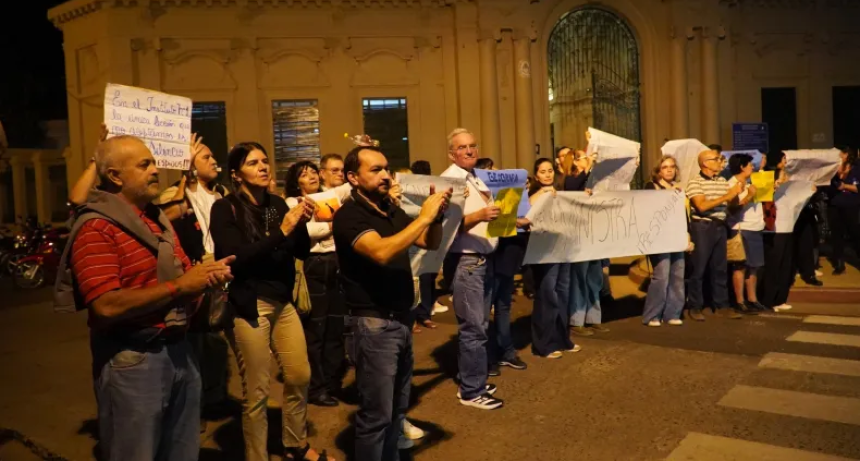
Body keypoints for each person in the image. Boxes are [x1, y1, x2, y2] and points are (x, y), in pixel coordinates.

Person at [59, 135, 235, 461]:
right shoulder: (97, 227)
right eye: (144, 165)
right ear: (115, 176)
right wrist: (180, 287)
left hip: (179, 349)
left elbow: (183, 273)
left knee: (182, 451)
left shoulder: (156, 219)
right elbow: (106, 305)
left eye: (153, 162)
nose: (155, 170)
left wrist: (205, 278)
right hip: (133, 360)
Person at [209, 143, 332, 461]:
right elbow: (236, 258)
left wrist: (300, 223)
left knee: (299, 375)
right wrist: (283, 229)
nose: (263, 166)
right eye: (253, 163)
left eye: (265, 160)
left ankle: (295, 444)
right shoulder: (225, 209)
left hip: (282, 302)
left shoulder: (276, 204)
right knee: (257, 390)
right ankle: (257, 455)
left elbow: (299, 251)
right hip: (250, 305)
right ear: (236, 174)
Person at [333, 145, 449, 461]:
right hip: (373, 323)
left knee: (397, 409)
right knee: (377, 417)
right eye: (376, 170)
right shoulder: (349, 215)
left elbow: (428, 241)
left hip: (401, 319)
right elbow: (381, 252)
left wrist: (436, 218)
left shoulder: (389, 208)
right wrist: (423, 217)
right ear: (353, 177)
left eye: (386, 168)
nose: (386, 175)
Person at [155, 134, 231, 430]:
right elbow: (167, 221)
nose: (214, 161)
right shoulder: (175, 194)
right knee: (194, 342)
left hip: (222, 270)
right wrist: (184, 176)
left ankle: (216, 397)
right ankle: (192, 410)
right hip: (194, 272)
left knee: (217, 339)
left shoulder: (222, 194)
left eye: (213, 157)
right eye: (206, 157)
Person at [441, 128, 504, 410]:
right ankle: (471, 391)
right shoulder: (450, 181)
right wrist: (480, 214)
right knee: (473, 329)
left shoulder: (476, 178)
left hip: (483, 260)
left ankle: (473, 377)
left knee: (480, 326)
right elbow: (445, 229)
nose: (469, 150)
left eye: (472, 146)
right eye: (462, 147)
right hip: (466, 262)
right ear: (451, 154)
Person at [284, 160, 351, 408]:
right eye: (304, 174)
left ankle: (332, 383)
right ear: (296, 181)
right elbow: (306, 233)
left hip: (335, 263)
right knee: (316, 328)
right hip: (313, 266)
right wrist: (333, 226)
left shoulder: (329, 196)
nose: (311, 176)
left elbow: (351, 186)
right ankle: (316, 387)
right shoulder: (292, 203)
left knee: (336, 326)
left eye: (313, 172)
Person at [528, 158, 579, 357]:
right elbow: (527, 209)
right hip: (544, 253)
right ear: (536, 175)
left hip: (563, 250)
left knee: (563, 295)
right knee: (547, 295)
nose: (547, 174)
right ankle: (544, 344)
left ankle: (562, 339)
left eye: (550, 170)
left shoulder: (560, 192)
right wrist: (543, 193)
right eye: (543, 171)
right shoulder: (533, 193)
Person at [686, 149, 745, 320]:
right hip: (703, 227)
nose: (721, 162)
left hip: (720, 226)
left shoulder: (722, 181)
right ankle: (695, 306)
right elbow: (701, 206)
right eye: (717, 159)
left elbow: (731, 207)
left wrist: (740, 195)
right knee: (698, 268)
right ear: (705, 163)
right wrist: (727, 195)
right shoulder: (695, 182)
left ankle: (721, 305)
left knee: (720, 268)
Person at [642, 155, 690, 327]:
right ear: (658, 171)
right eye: (664, 167)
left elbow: (684, 216)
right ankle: (652, 315)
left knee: (677, 275)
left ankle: (672, 313)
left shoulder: (679, 189)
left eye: (672, 167)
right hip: (659, 238)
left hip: (677, 236)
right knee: (661, 275)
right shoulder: (651, 187)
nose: (669, 170)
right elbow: (647, 210)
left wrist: (688, 236)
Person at [563, 149, 605, 336]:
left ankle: (593, 317)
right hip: (578, 234)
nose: (587, 158)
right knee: (579, 277)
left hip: (594, 232)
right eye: (583, 156)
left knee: (594, 277)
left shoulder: (591, 178)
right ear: (574, 161)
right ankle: (576, 320)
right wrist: (588, 169)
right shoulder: (570, 179)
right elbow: (572, 187)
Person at [409, 160, 449, 330]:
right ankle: (415, 317)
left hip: (429, 237)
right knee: (416, 281)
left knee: (427, 278)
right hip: (412, 239)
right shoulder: (406, 191)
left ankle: (423, 314)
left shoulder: (435, 189)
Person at [726, 153, 768, 314]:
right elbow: (732, 209)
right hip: (741, 228)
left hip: (756, 227)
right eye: (750, 165)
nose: (752, 167)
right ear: (742, 167)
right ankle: (739, 301)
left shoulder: (751, 181)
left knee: (754, 266)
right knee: (741, 266)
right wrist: (749, 196)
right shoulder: (732, 184)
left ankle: (753, 299)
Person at [760, 152, 794, 312]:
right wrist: (773, 188)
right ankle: (768, 300)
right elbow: (763, 203)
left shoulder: (789, 184)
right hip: (774, 230)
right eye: (782, 177)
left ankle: (781, 298)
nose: (786, 179)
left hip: (788, 228)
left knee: (786, 265)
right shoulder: (767, 182)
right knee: (773, 265)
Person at [828, 146, 860, 275]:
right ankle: (839, 264)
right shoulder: (834, 169)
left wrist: (845, 186)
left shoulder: (857, 169)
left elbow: (858, 188)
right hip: (835, 206)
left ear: (847, 155)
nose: (839, 156)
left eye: (841, 153)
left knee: (855, 234)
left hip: (851, 206)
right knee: (837, 236)